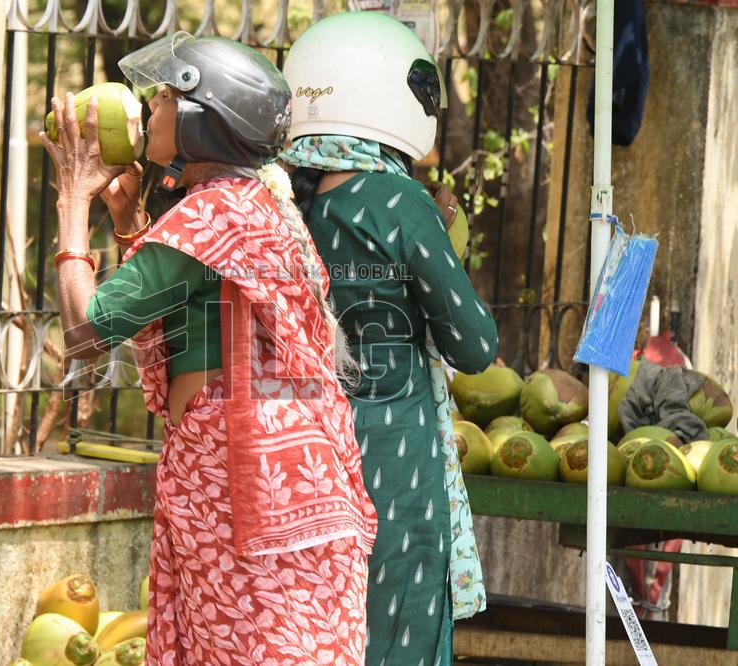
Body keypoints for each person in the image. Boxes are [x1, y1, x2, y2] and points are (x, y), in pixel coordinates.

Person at [40, 32, 377, 665]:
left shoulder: (209, 217)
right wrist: (130, 223)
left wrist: (73, 199)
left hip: (238, 499)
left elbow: (87, 333)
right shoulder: (257, 206)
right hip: (297, 490)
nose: (149, 107)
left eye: (165, 97)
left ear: (201, 121)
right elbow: (188, 309)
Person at [280, 12, 499, 666]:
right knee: (397, 640)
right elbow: (474, 346)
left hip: (303, 463)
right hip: (393, 470)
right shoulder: (400, 203)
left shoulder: (285, 202)